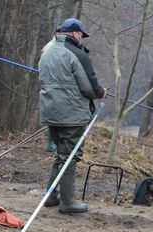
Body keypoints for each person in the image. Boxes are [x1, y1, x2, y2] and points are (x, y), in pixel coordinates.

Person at [38, 18, 106, 214]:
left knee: (61, 153)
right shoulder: (78, 54)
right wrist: (101, 92)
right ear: (76, 34)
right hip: (71, 114)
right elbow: (89, 86)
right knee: (70, 156)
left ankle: (51, 196)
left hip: (50, 111)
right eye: (81, 35)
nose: (82, 39)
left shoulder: (47, 52)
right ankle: (67, 202)